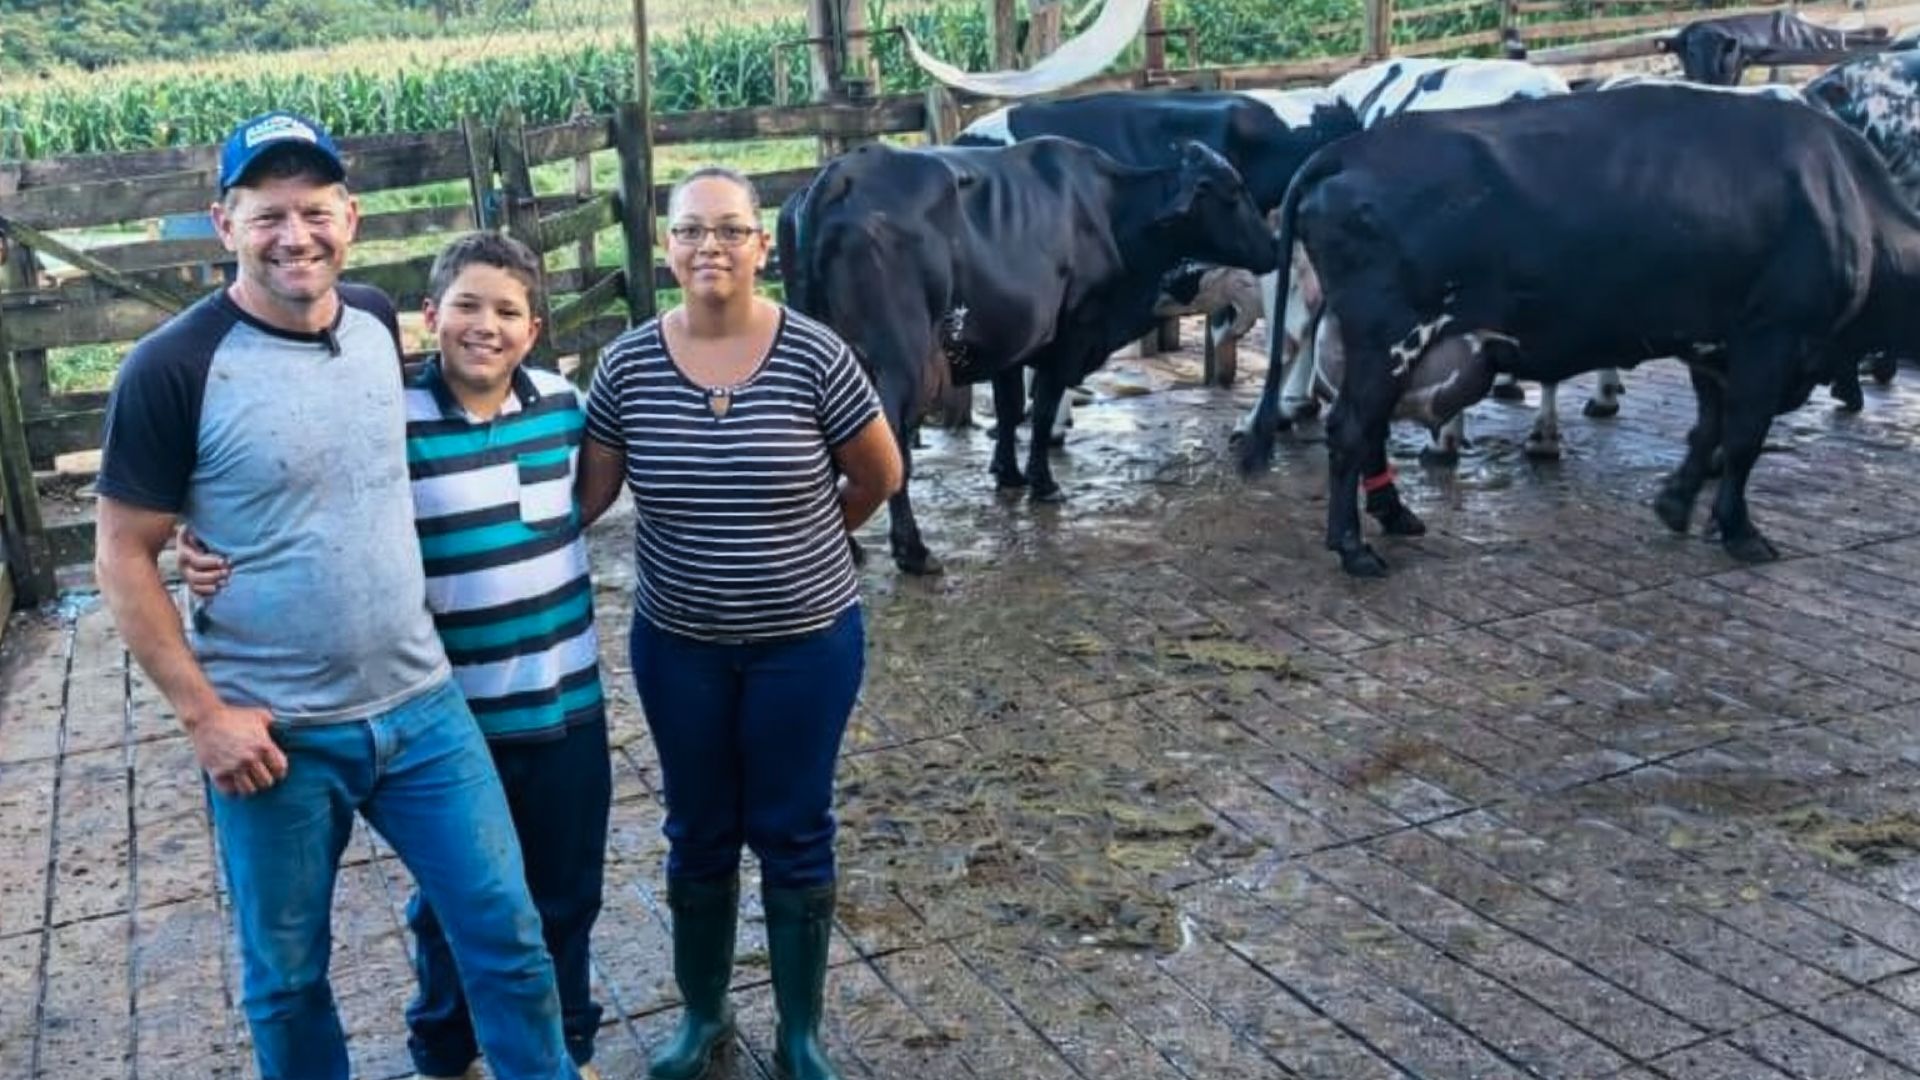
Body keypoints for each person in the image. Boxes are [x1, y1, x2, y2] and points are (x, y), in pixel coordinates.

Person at [91, 110, 577, 1080]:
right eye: (267, 214)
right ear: (223, 224)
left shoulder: (373, 321)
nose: (294, 235)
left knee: (507, 933)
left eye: (314, 211)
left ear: (350, 217)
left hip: (422, 705)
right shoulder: (171, 369)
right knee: (286, 976)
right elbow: (121, 556)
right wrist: (204, 719)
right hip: (275, 734)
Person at [179, 231, 612, 1079]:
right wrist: (206, 541)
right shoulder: (391, 417)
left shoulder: (563, 408)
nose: (485, 326)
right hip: (450, 712)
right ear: (428, 318)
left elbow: (587, 502)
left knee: (559, 896)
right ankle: (444, 1048)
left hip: (564, 703)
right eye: (466, 306)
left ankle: (570, 1046)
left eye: (509, 312)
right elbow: (312, 496)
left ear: (534, 330)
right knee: (456, 905)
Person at [574, 165, 903, 1080]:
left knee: (795, 826)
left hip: (806, 643)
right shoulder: (627, 363)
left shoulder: (814, 354)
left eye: (728, 230)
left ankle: (800, 1034)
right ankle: (704, 1017)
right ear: (666, 248)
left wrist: (804, 543)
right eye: (689, 230)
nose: (708, 246)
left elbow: (879, 476)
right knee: (699, 827)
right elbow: (584, 499)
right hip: (680, 647)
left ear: (763, 245)